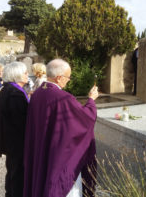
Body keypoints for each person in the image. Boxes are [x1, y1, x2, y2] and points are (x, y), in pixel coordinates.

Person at [23, 59, 99, 197]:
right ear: (59, 78)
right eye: (68, 78)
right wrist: (91, 100)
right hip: (56, 156)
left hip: (41, 148)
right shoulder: (63, 98)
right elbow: (85, 120)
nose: (68, 81)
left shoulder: (38, 93)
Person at [0, 62, 29, 197]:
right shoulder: (15, 94)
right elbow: (21, 122)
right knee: (17, 172)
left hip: (10, 139)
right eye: (24, 73)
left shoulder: (8, 89)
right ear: (16, 75)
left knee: (12, 170)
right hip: (17, 141)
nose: (27, 75)